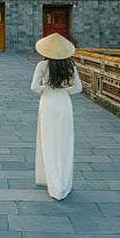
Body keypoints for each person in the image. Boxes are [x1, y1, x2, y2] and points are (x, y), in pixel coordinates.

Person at [31, 33, 82, 200]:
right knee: (64, 143)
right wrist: (64, 89)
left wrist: (46, 88)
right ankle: (63, 184)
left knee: (49, 142)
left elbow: (34, 87)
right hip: (64, 104)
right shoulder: (70, 66)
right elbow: (78, 89)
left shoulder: (42, 66)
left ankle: (53, 183)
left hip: (48, 104)